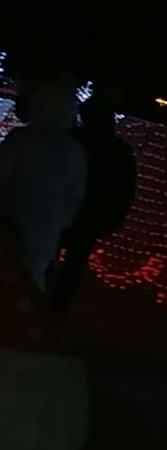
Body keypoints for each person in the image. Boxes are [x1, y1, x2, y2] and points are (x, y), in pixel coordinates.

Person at [50, 94, 140, 314]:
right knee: (69, 266)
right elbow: (124, 189)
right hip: (86, 216)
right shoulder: (116, 149)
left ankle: (44, 308)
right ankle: (55, 312)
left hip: (66, 212)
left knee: (50, 260)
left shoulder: (74, 140)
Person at [0, 77, 86, 291]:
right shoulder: (73, 150)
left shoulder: (21, 139)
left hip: (10, 214)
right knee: (33, 273)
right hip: (47, 223)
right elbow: (75, 195)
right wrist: (62, 222)